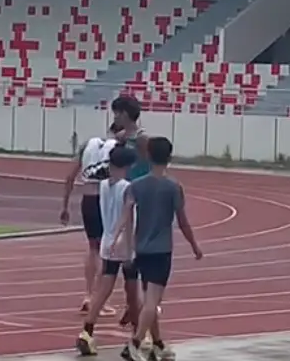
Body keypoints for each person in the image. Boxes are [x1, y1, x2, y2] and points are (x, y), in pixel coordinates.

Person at [113, 136, 203, 361]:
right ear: (170, 157)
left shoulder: (136, 186)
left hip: (141, 248)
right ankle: (135, 342)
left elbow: (126, 215)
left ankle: (157, 344)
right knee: (152, 302)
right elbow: (182, 221)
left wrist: (117, 239)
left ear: (148, 156)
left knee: (149, 299)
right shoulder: (173, 187)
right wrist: (194, 246)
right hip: (161, 250)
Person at [75, 144, 142, 357]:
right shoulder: (128, 187)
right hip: (124, 243)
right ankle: (138, 335)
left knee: (103, 289)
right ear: (128, 166)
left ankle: (87, 331)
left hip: (108, 239)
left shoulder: (104, 185)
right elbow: (128, 219)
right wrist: (130, 247)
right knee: (132, 291)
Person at [61, 123, 124, 317]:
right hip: (106, 200)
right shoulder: (119, 148)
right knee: (106, 251)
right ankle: (100, 299)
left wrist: (65, 206)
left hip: (87, 199)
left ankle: (88, 295)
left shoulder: (88, 144)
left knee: (93, 248)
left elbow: (69, 177)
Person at [112, 96, 150, 181]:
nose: (114, 117)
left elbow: (147, 165)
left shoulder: (141, 138)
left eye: (116, 113)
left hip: (137, 181)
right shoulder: (119, 136)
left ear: (124, 114)